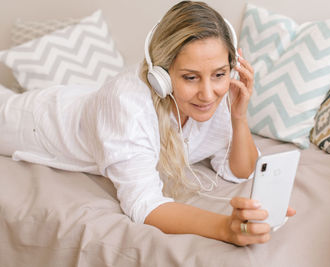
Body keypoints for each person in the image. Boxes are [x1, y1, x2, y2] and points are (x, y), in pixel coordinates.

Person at [0, 1, 295, 246]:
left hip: (83, 101)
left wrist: (239, 116)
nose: (208, 94)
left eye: (219, 74)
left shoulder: (220, 93)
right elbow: (144, 204)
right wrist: (226, 228)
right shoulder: (127, 103)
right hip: (35, 121)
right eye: (190, 77)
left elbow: (238, 170)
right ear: (161, 76)